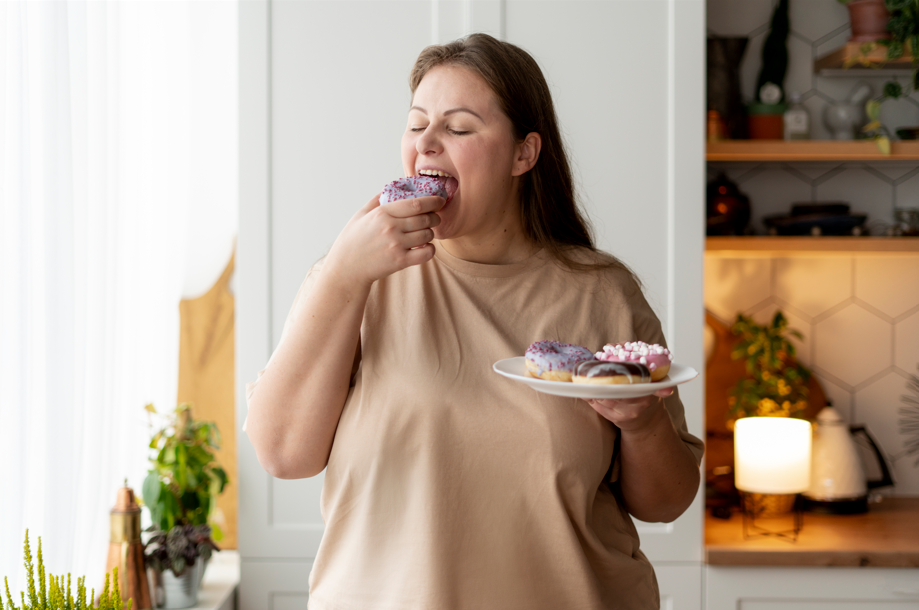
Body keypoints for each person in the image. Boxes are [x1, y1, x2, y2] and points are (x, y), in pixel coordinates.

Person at [244, 33, 704, 610]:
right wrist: (340, 276)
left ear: (523, 154)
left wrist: (641, 426)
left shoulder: (601, 292)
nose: (428, 144)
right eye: (416, 125)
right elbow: (283, 455)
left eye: (458, 128)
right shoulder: (357, 279)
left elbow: (665, 502)